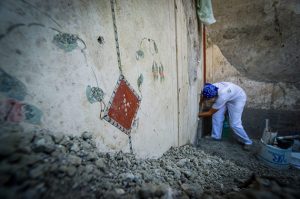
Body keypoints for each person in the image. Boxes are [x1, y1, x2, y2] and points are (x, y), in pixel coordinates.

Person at [198, 82, 252, 150]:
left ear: (215, 95)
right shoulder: (210, 88)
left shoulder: (222, 97)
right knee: (216, 115)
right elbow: (204, 96)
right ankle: (216, 136)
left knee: (234, 124)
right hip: (229, 95)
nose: (209, 100)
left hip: (237, 99)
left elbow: (210, 113)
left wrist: (197, 115)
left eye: (210, 99)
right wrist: (200, 102)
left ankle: (248, 142)